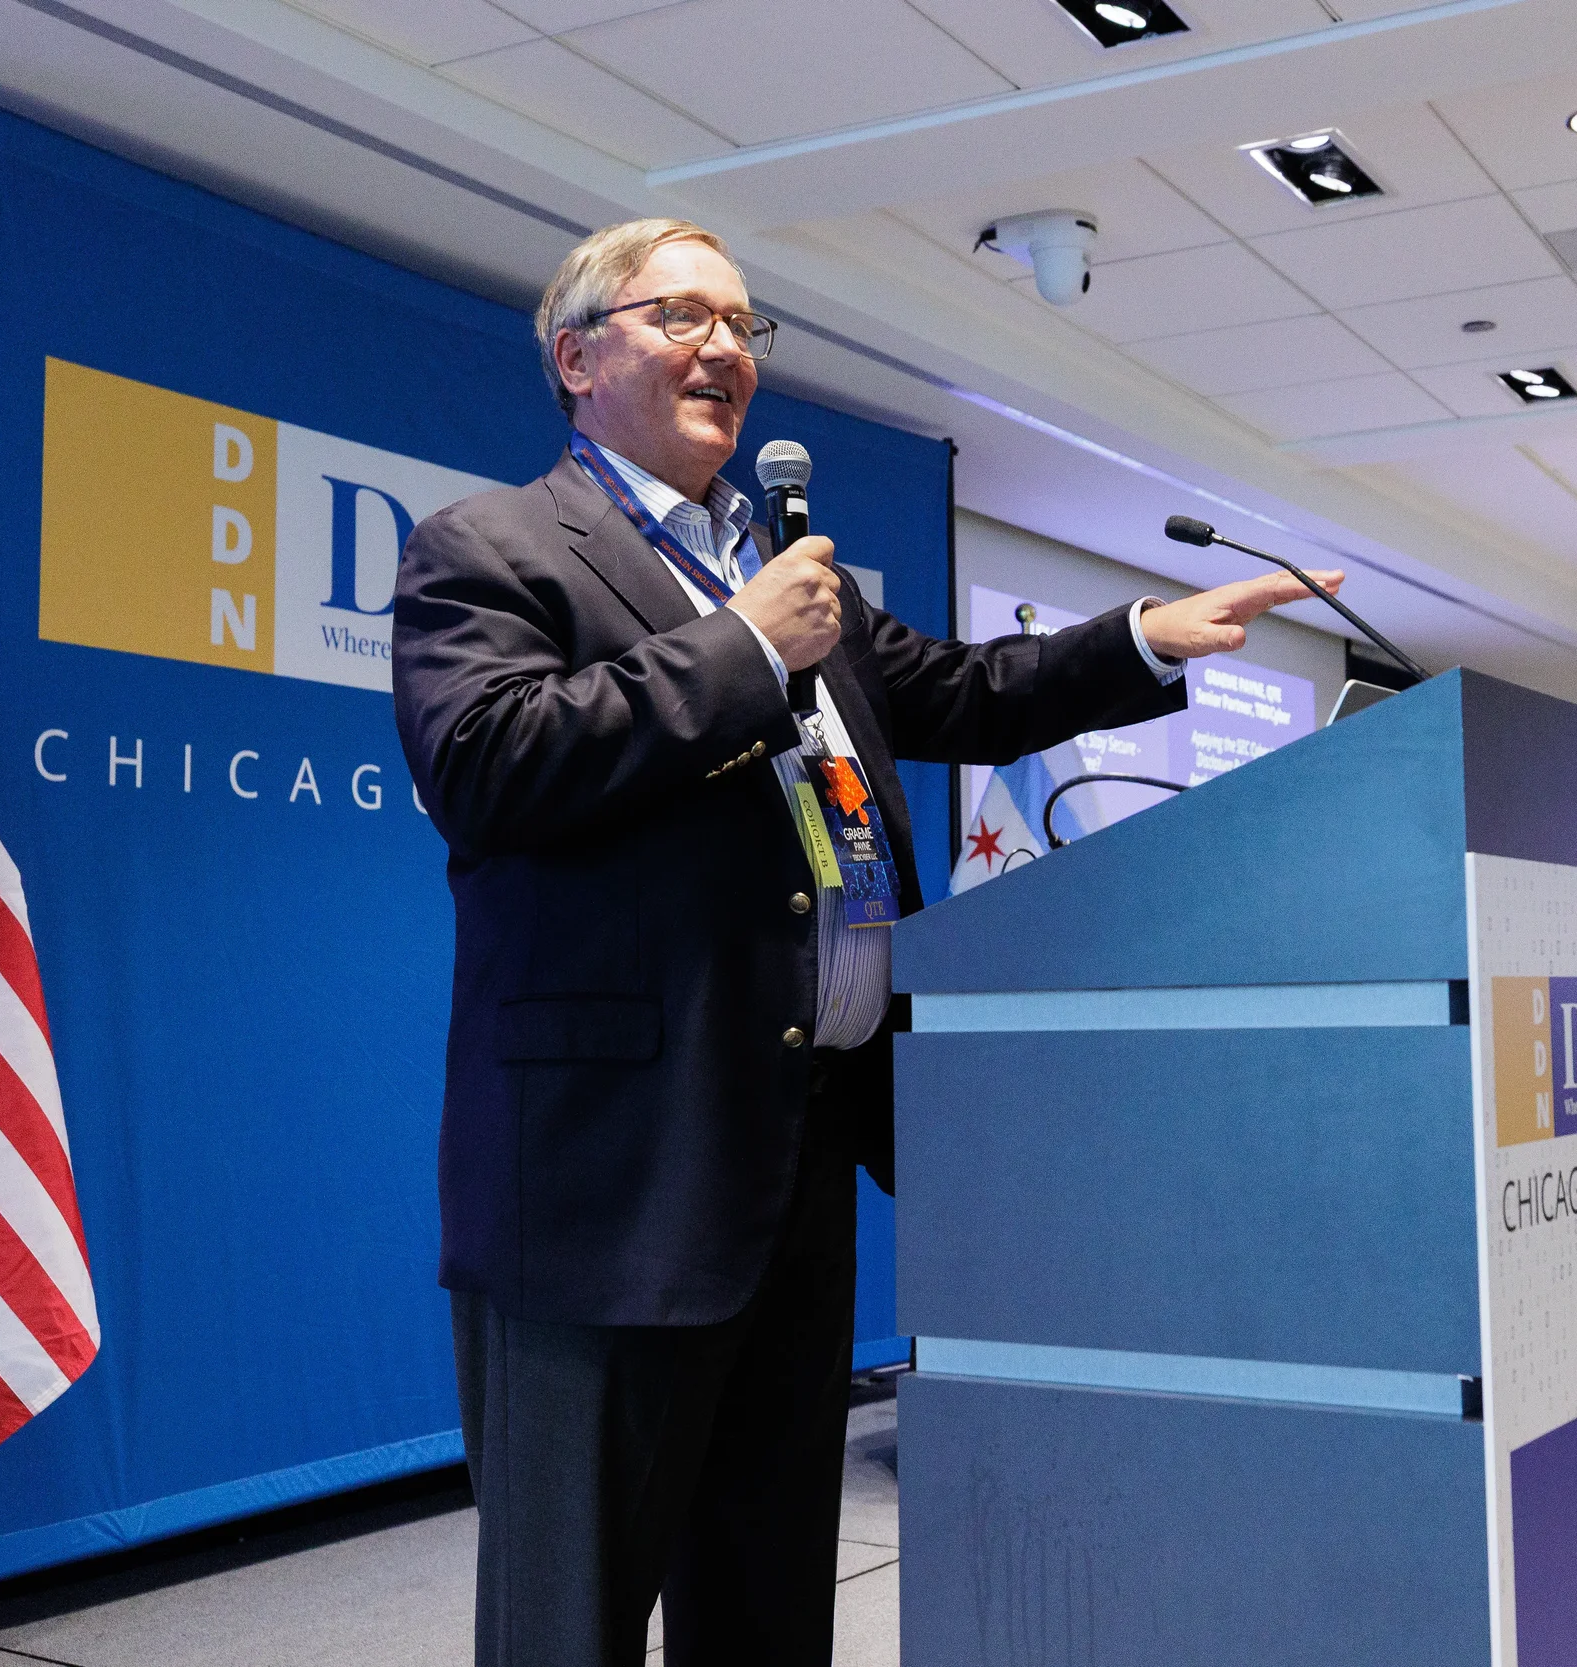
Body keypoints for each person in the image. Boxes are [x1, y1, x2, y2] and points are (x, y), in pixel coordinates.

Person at [390, 217, 1342, 1667]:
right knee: (568, 1617)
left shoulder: (788, 569)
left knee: (770, 1596)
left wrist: (1148, 632)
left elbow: (969, 690)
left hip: (795, 1158)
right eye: (682, 316)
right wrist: (747, 648)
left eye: (744, 324)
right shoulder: (497, 546)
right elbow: (490, 762)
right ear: (578, 358)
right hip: (608, 1185)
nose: (726, 348)